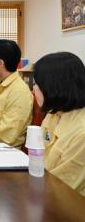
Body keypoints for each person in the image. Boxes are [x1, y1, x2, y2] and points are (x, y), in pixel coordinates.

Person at [33, 52, 85, 196]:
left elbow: (62, 187)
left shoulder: (81, 132)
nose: (34, 89)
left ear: (55, 87)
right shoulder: (53, 114)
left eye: (38, 84)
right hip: (41, 188)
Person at [0, 40, 33, 148]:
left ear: (0, 63)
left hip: (2, 151)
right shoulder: (0, 82)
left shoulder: (19, 92)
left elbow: (7, 137)